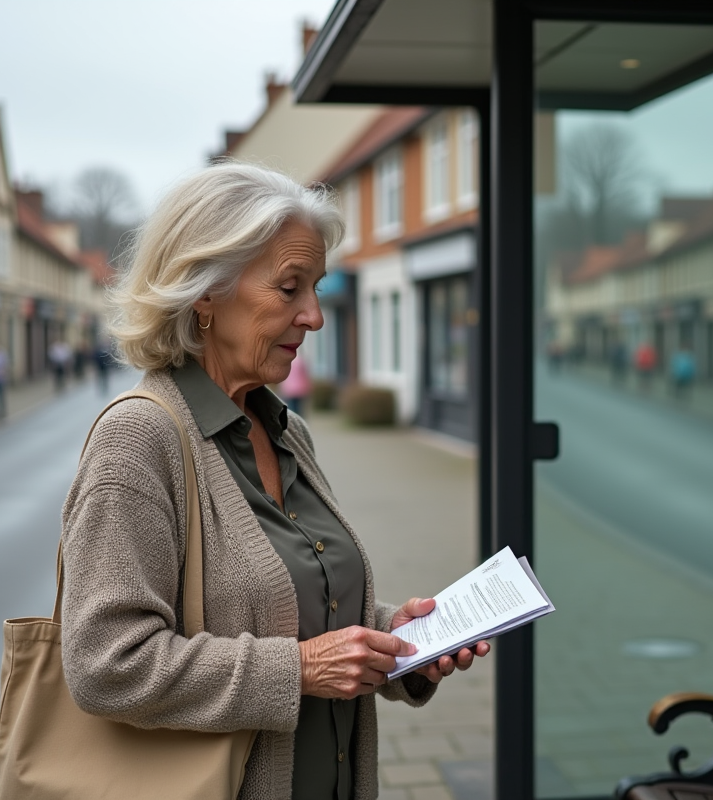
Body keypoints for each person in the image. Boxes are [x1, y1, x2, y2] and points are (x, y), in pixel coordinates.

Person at [61, 162, 489, 800]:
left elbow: (290, 608)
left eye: (315, 288)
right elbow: (105, 664)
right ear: (204, 291)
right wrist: (301, 670)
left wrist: (398, 641)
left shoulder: (284, 430)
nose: (314, 316)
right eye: (290, 288)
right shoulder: (138, 441)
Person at [279, 351, 311, 416]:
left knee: (291, 409)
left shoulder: (287, 361)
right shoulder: (301, 361)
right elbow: (305, 375)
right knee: (299, 408)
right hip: (300, 389)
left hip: (289, 389)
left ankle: (293, 421)